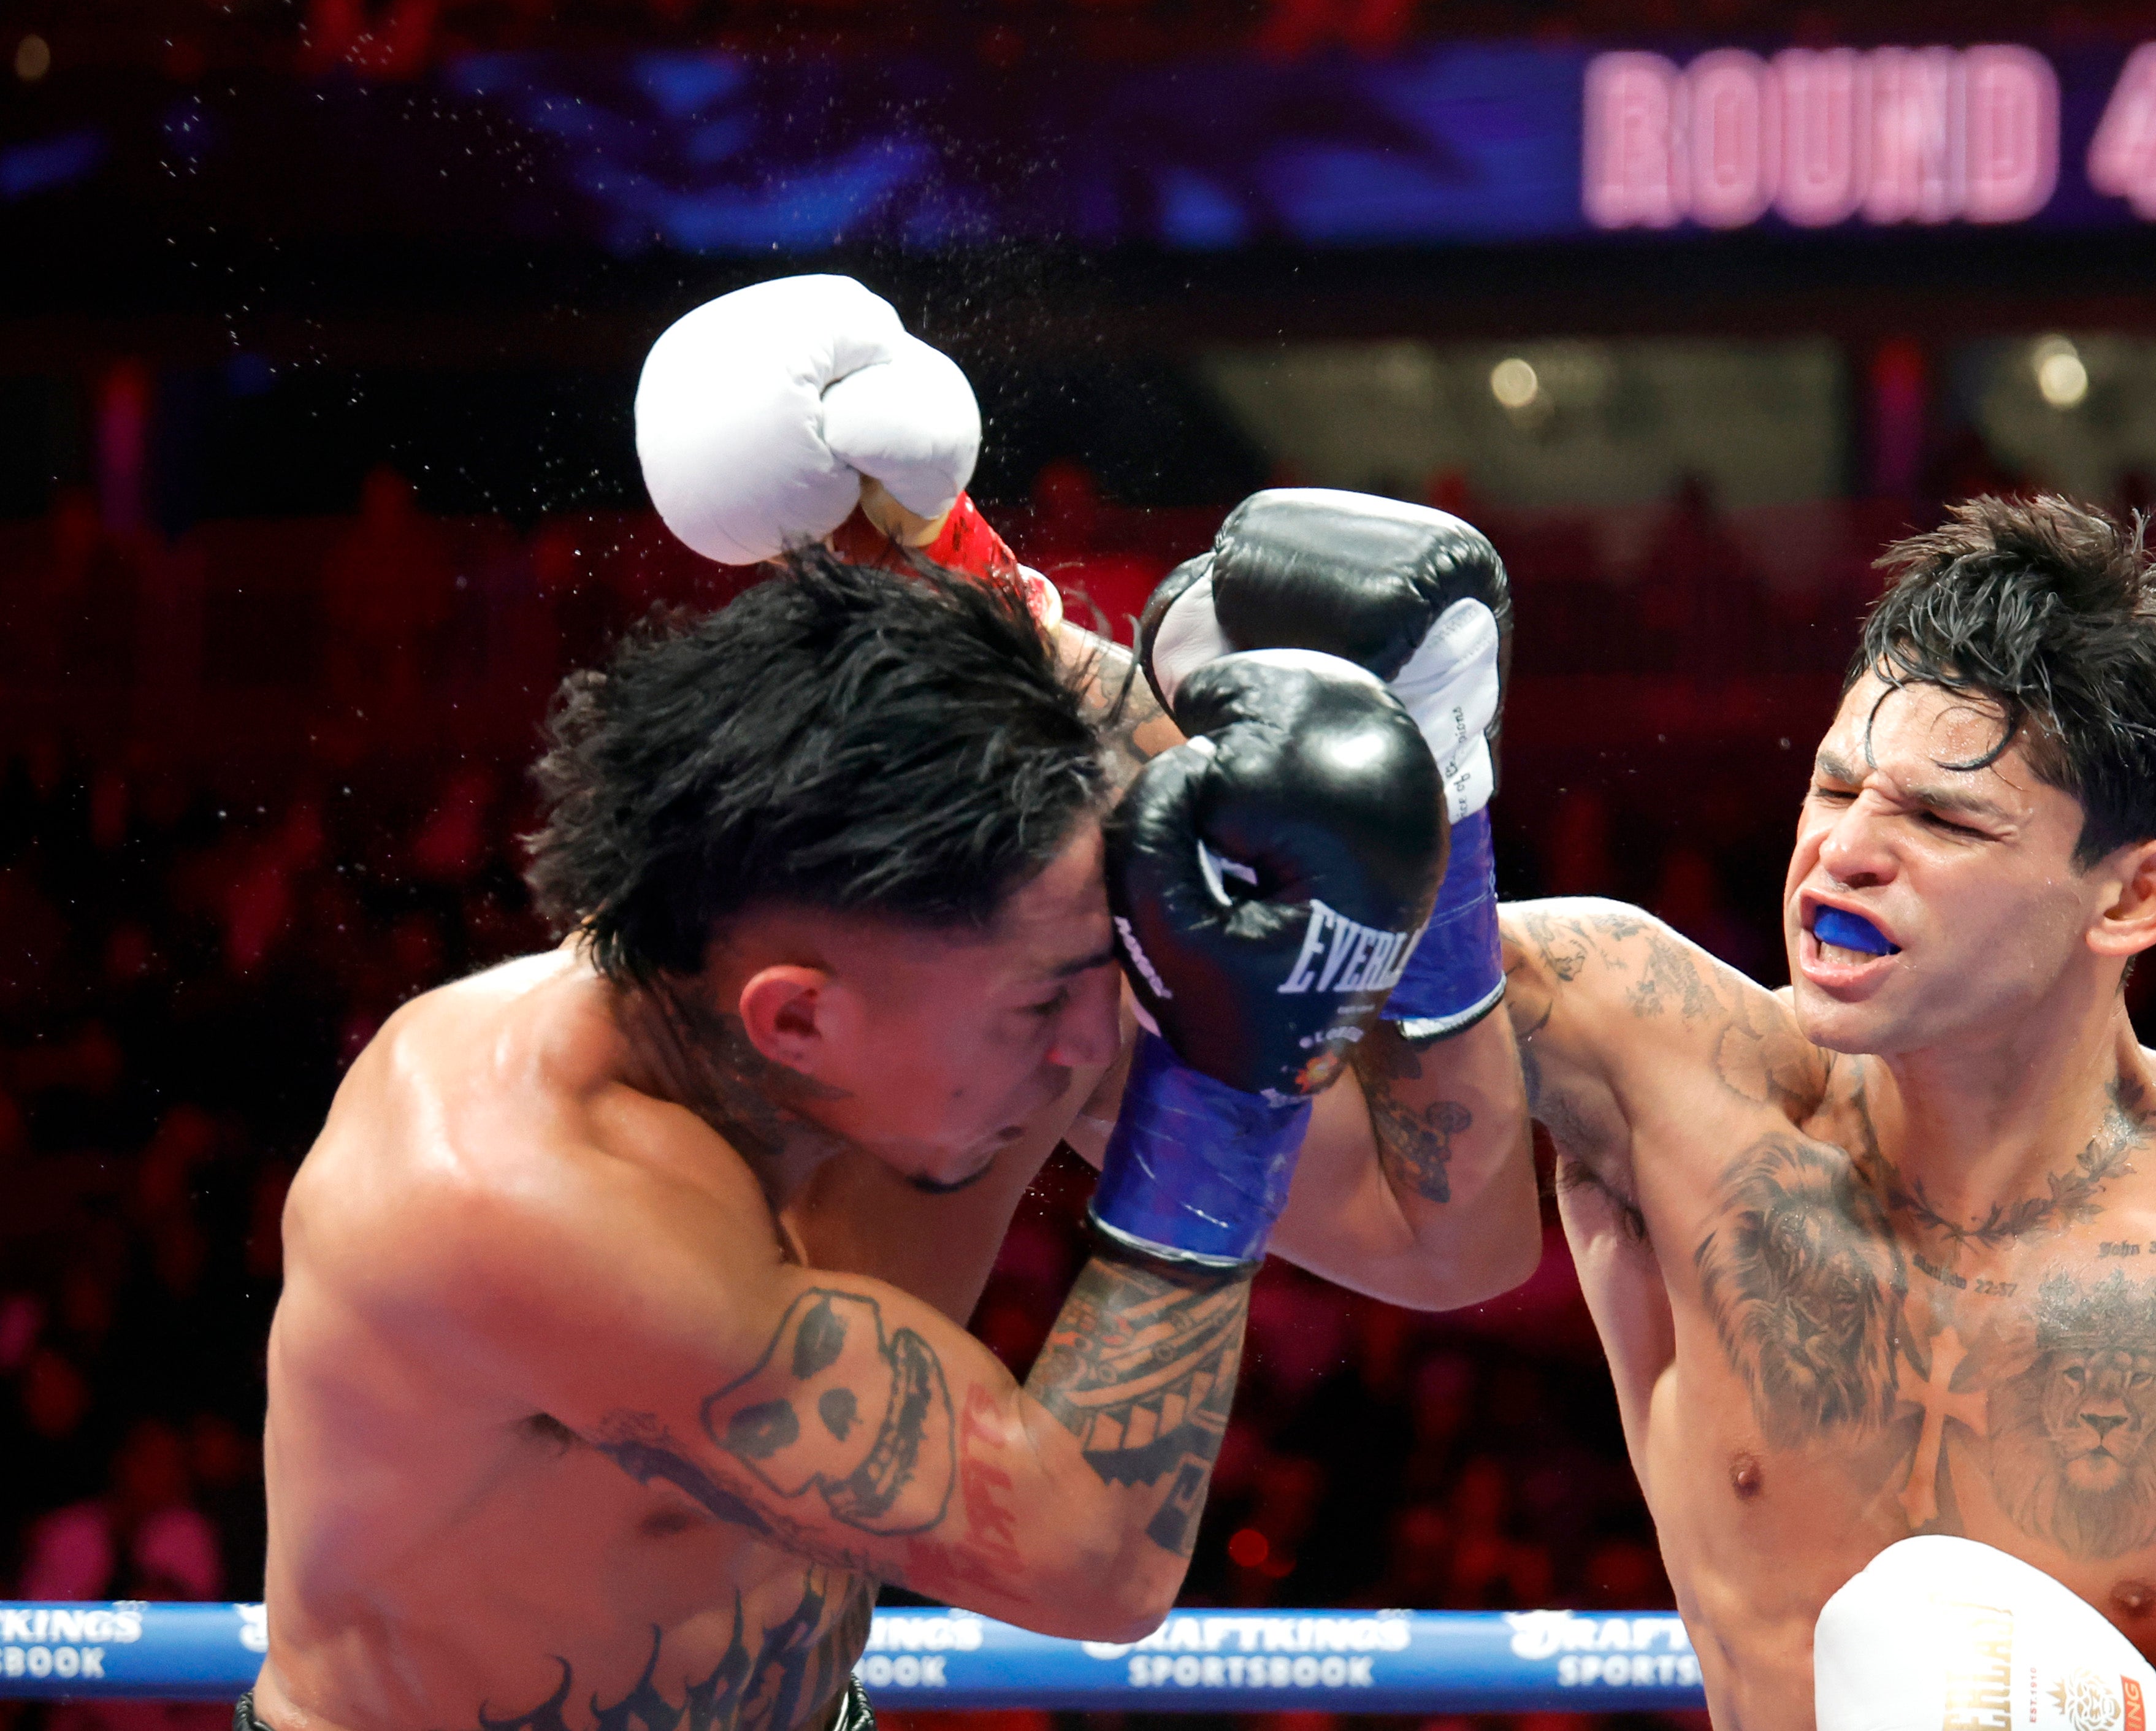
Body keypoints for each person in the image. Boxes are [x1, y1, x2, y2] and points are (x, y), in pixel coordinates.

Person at [248, 282, 1537, 1731]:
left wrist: (1439, 770)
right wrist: (1226, 1084)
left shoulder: (970, 983)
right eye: (1052, 1003)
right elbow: (1093, 1562)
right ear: (796, 1020)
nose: (1090, 1040)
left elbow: (1452, 1238)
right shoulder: (510, 1186)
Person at [1480, 499, 2156, 1731]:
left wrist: (2142, 1726)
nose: (1844, 852)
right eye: (1832, 787)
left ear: (2129, 897)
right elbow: (1306, 1050)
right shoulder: (1649, 1067)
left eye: (1939, 817)